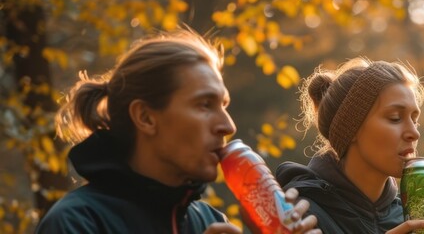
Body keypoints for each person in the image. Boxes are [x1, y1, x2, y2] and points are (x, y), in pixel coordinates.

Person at [36, 29, 319, 234]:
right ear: (145, 117)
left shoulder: (209, 221)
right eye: (205, 104)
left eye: (224, 105)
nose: (228, 125)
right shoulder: (76, 223)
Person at [276, 58, 424, 233]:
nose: (414, 133)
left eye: (414, 120)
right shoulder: (301, 216)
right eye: (395, 118)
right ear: (351, 128)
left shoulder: (408, 216)